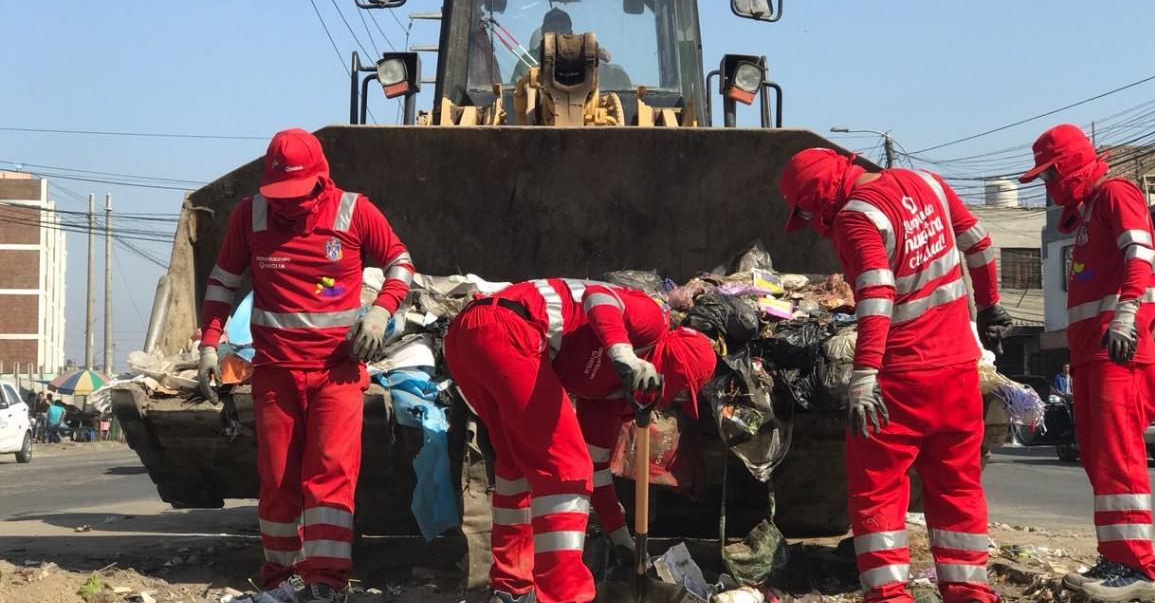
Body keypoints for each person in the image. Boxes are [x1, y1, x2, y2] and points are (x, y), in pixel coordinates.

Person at [780, 148, 1012, 603]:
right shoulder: (928, 183)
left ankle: (889, 596)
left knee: (877, 489)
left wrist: (864, 373)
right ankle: (968, 592)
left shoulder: (854, 218)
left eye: (807, 211)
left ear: (820, 196)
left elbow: (877, 290)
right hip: (960, 371)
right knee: (957, 486)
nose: (811, 222)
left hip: (901, 379)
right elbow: (980, 243)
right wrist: (988, 305)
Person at [198, 128, 414, 603]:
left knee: (330, 475)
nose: (288, 204)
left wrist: (381, 312)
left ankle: (325, 582)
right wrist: (210, 346)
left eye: (297, 194)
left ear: (321, 179)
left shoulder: (354, 211)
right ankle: (280, 579)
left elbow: (400, 262)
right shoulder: (249, 216)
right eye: (280, 194)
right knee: (277, 481)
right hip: (274, 373)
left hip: (336, 373)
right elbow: (221, 283)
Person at [444, 278, 718, 603]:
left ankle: (511, 590)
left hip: (472, 341)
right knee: (566, 469)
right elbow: (598, 295)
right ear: (673, 364)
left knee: (516, 469)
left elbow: (597, 468)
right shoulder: (652, 322)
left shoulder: (611, 395)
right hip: (505, 327)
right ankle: (564, 595)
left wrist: (621, 537)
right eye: (679, 389)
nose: (669, 400)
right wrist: (624, 354)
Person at [1019, 124, 1155, 602]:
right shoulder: (1088, 211)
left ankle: (1134, 567)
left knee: (1118, 459)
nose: (1049, 185)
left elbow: (1139, 252)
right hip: (1093, 355)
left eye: (1050, 174)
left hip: (1117, 350)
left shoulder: (1115, 194)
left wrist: (1125, 317)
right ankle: (1119, 555)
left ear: (1071, 165)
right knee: (1103, 461)